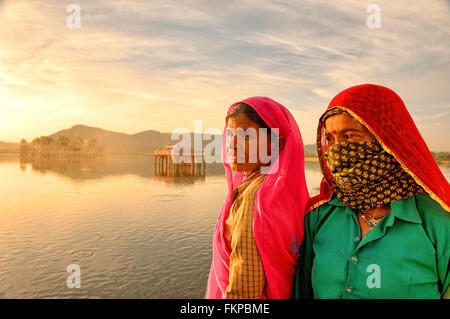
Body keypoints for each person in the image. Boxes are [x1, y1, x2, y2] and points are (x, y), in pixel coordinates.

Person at [295, 84, 450, 299]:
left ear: (387, 140)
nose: (338, 150)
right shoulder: (319, 215)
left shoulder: (438, 222)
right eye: (330, 139)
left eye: (350, 136)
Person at [206, 97, 310, 299]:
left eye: (246, 135)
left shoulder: (256, 200)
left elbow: (244, 295)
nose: (232, 145)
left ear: (276, 144)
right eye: (229, 134)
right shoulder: (282, 192)